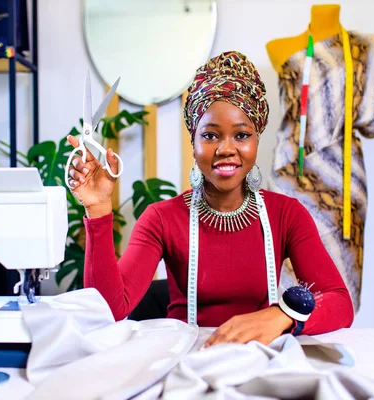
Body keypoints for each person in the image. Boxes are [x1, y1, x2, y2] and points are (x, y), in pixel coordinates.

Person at [66, 51, 354, 348]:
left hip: (259, 361)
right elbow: (107, 312)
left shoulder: (286, 215)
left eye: (242, 135)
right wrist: (98, 208)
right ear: (194, 142)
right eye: (211, 135)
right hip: (183, 360)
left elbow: (339, 302)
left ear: (257, 140)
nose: (226, 149)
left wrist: (282, 316)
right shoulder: (161, 218)